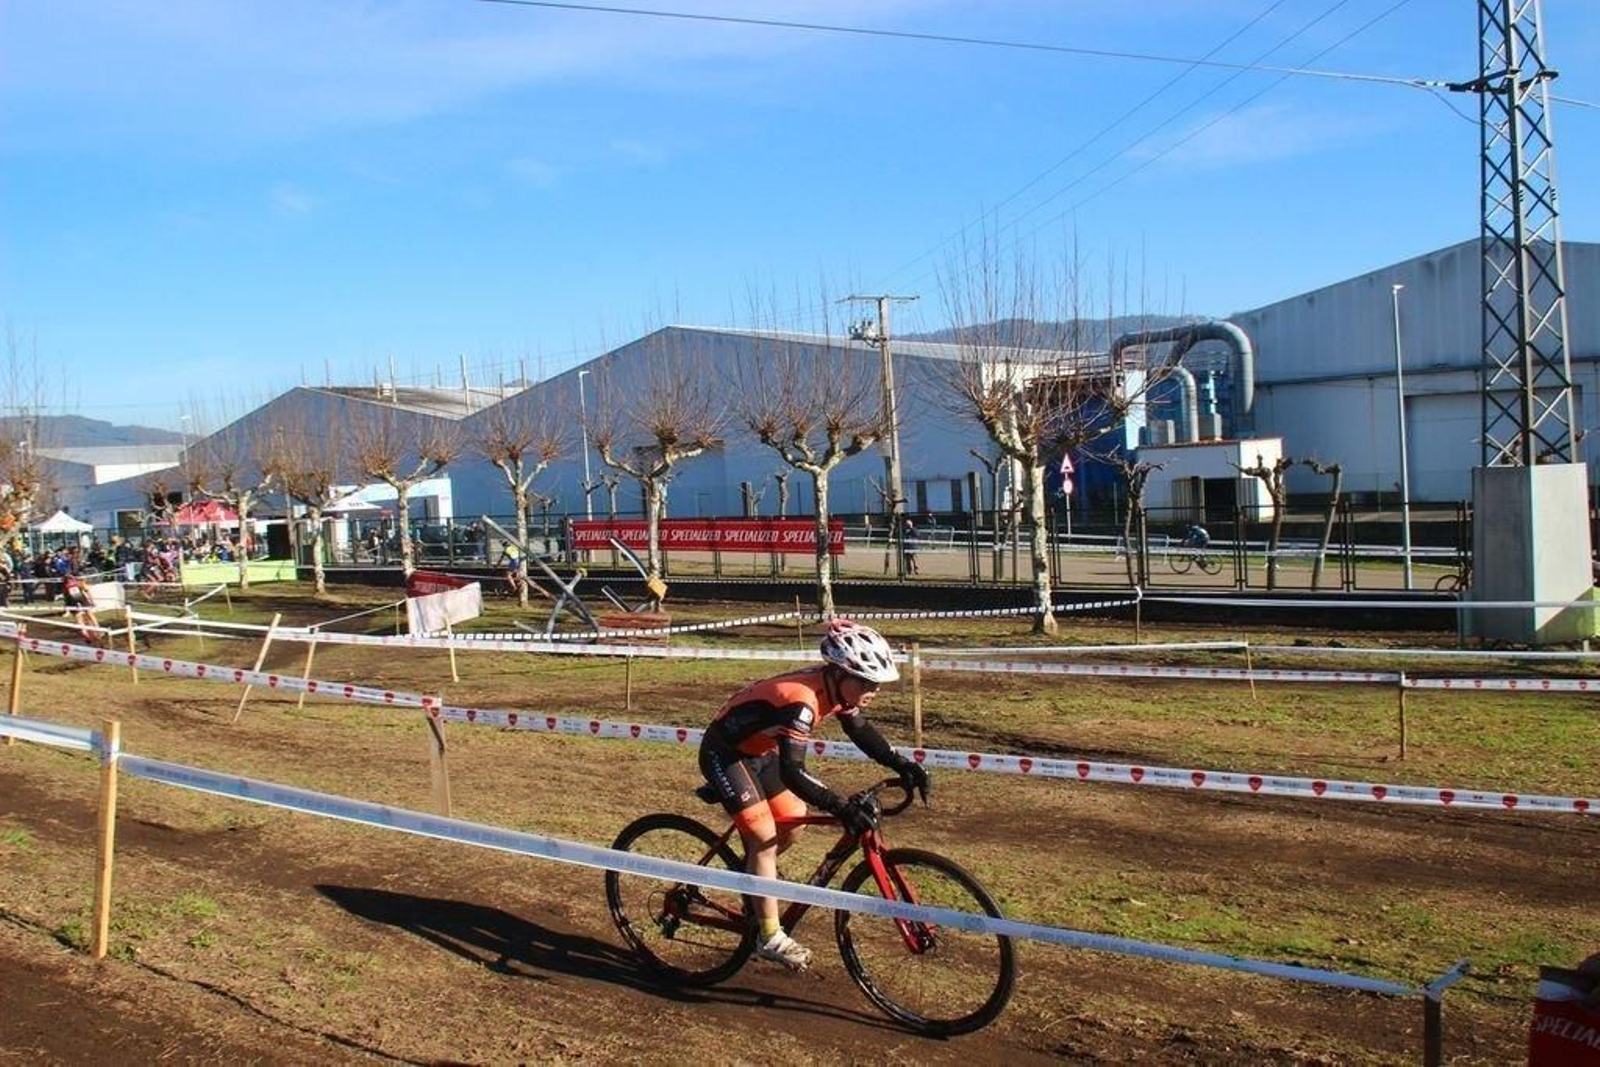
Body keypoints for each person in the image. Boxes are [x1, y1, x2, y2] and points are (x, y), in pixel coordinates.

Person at [698, 619, 931, 972]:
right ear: (840, 673)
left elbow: (861, 731)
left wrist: (903, 764)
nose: (875, 690)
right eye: (868, 682)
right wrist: (840, 806)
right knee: (763, 837)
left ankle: (756, 888)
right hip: (725, 753)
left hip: (760, 753)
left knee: (793, 826)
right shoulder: (802, 702)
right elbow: (794, 772)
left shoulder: (837, 689)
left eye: (877, 683)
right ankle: (769, 936)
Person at [60, 571, 100, 643]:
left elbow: (66, 599)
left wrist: (67, 610)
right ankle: (98, 630)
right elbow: (87, 591)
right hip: (82, 599)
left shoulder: (64, 586)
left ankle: (85, 634)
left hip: (72, 602)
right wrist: (92, 601)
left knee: (79, 619)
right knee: (90, 615)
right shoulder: (79, 582)